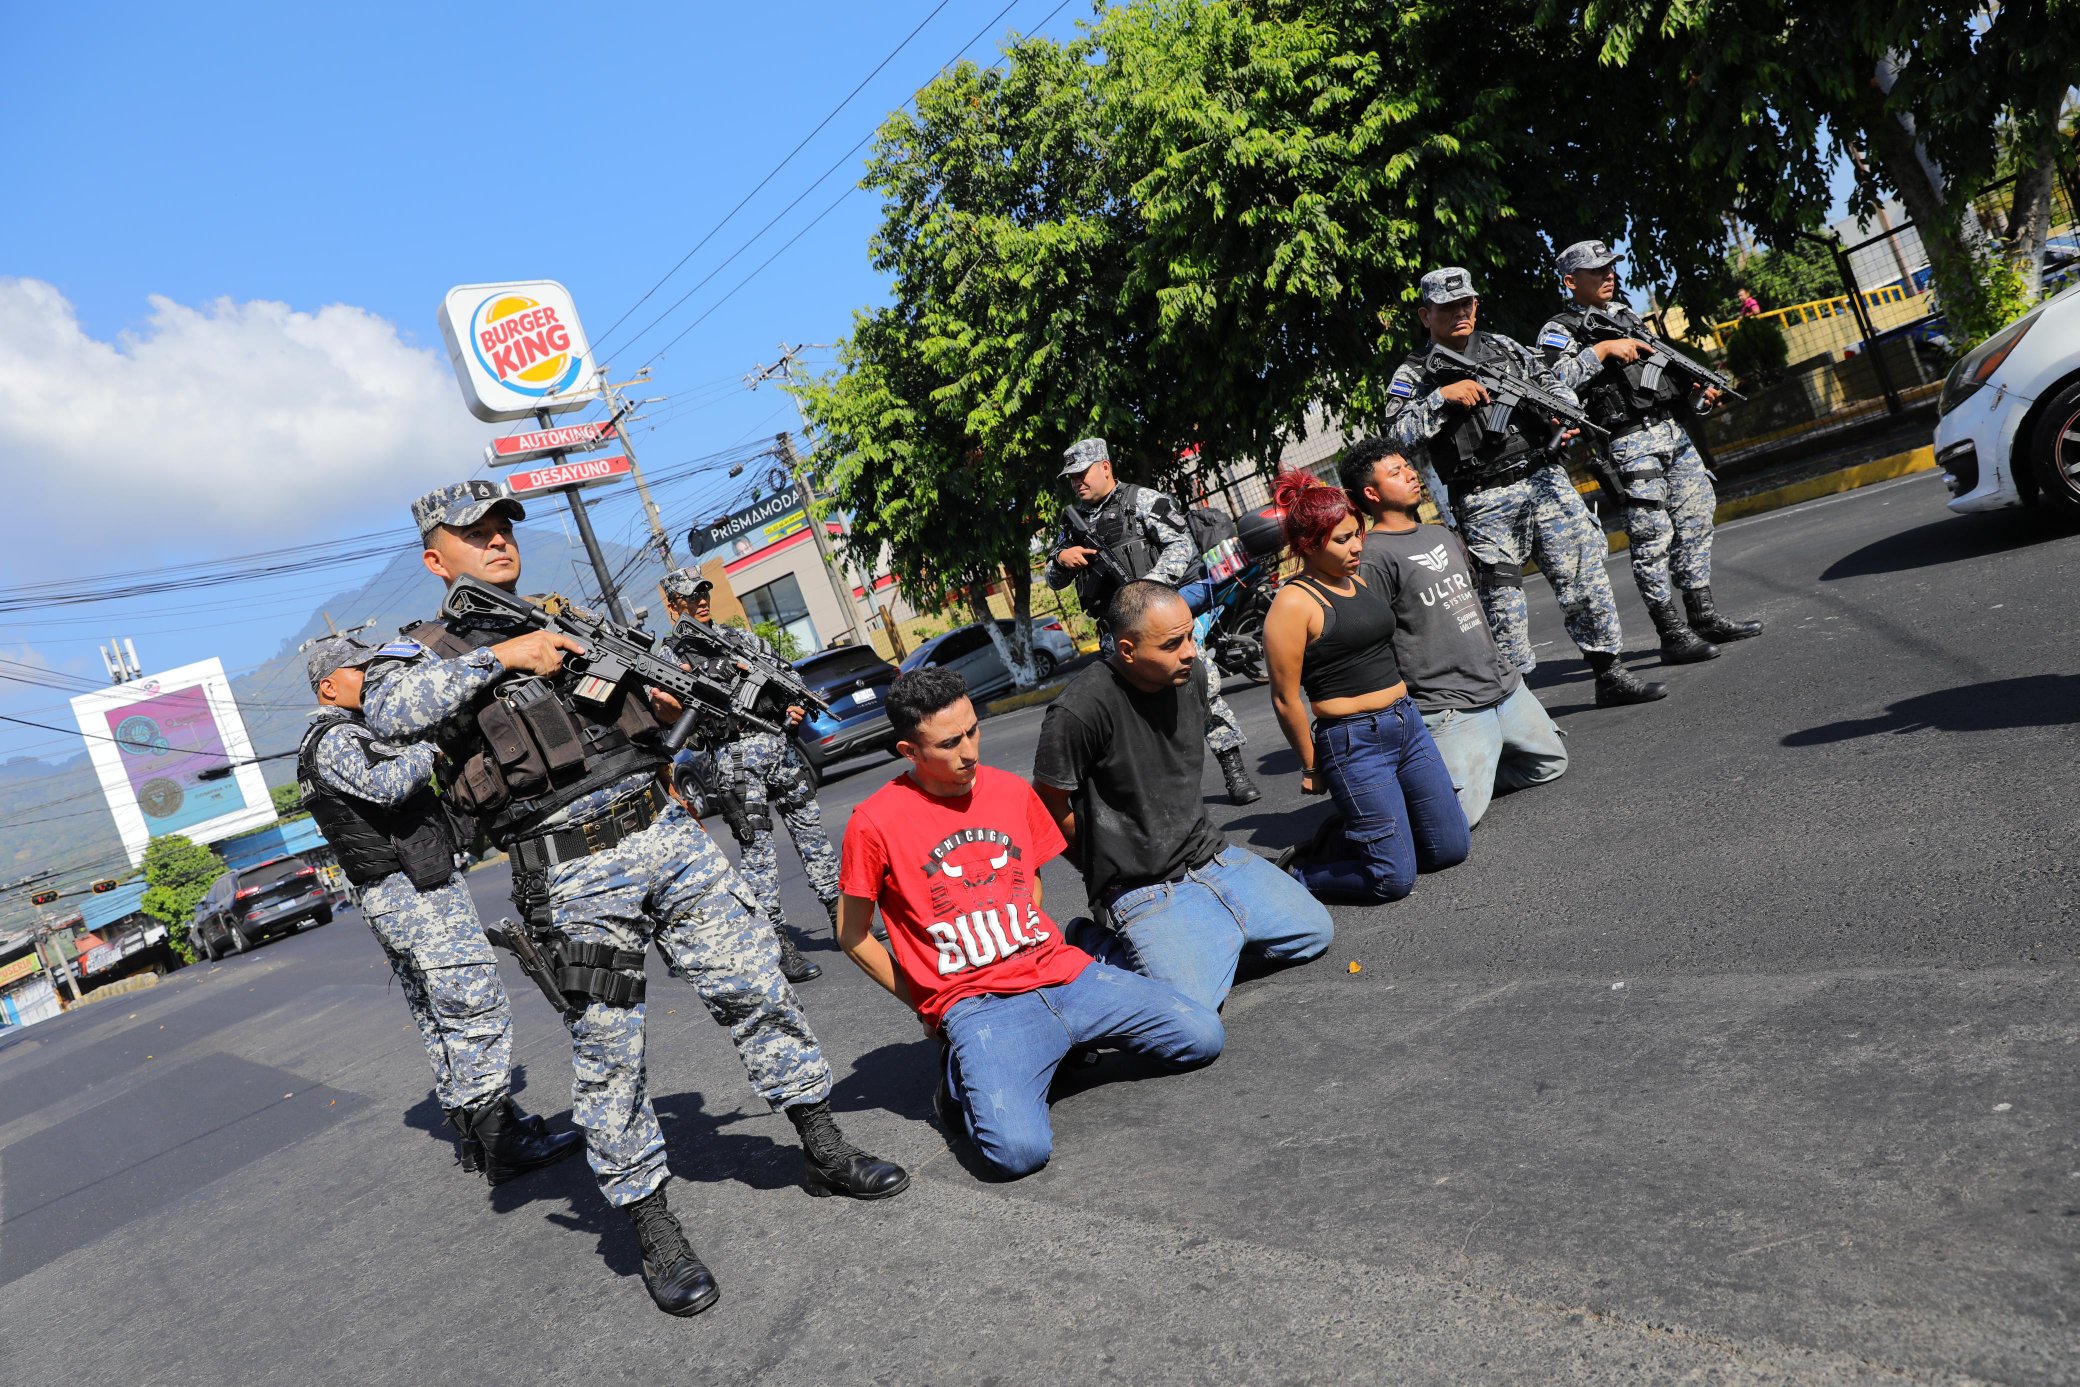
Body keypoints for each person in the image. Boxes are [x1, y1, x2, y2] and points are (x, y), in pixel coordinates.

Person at [360, 481, 907, 1318]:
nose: (499, 540)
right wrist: (505, 657)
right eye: (476, 534)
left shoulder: (567, 618)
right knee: (611, 1052)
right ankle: (654, 1229)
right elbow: (388, 713)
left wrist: (653, 705)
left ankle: (824, 1145)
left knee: (756, 987)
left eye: (504, 526)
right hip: (570, 870)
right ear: (437, 560)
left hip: (665, 832)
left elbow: (636, 720)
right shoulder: (419, 651)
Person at [834, 667, 1225, 1177]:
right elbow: (852, 934)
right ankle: (961, 1073)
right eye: (949, 743)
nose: (970, 751)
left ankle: (1058, 1041)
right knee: (1018, 1154)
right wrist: (929, 1006)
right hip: (979, 1005)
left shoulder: (1009, 791)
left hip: (1062, 973)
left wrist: (1030, 933)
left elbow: (1030, 879)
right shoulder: (873, 822)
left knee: (1201, 1037)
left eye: (973, 730)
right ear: (909, 752)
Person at [299, 634, 583, 1182]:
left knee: (441, 1016)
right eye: (361, 670)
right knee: (474, 1005)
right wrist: (426, 745)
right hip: (414, 897)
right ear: (329, 686)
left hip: (403, 894)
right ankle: (503, 1140)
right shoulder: (334, 738)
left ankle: (478, 1125)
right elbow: (386, 785)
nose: (373, 677)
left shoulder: (339, 736)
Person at [1032, 580, 1334, 1009]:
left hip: (1210, 858)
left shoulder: (1190, 676)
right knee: (1189, 1005)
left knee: (1312, 933)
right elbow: (1047, 804)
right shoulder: (1080, 710)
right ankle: (1097, 945)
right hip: (1140, 885)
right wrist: (1098, 866)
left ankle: (1203, 944)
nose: (1190, 651)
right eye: (1173, 643)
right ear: (1127, 650)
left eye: (1191, 635)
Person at [1383, 266, 1668, 708]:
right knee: (1503, 605)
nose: (1460, 312)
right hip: (1483, 498)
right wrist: (1442, 397)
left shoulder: (1505, 347)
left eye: (1466, 304)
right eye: (1447, 307)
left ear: (1476, 305)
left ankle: (1610, 673)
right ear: (1425, 315)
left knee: (1583, 575)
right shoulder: (1413, 373)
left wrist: (1560, 413)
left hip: (1544, 479)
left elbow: (1556, 385)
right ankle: (1519, 706)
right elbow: (1395, 437)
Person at [1535, 240, 1766, 652]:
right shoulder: (1559, 329)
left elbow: (1659, 379)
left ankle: (1703, 614)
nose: (1608, 275)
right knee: (1652, 536)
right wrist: (1601, 351)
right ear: (1571, 281)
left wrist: (1697, 395)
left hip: (1671, 432)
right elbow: (1551, 385)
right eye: (1596, 271)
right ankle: (1671, 632)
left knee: (1696, 517)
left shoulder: (1625, 314)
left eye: (1610, 267)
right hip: (1627, 442)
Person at [1260, 472, 1469, 902]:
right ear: (1307, 546)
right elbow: (1285, 697)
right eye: (1341, 540)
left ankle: (1357, 830)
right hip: (1353, 743)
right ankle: (1300, 872)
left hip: (1407, 724)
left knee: (1450, 849)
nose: (1356, 546)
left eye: (1357, 534)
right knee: (1391, 881)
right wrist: (1310, 765)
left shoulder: (1356, 577)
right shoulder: (1294, 602)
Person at [1338, 439, 1570, 828]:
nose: (1411, 474)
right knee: (1458, 818)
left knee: (1550, 764)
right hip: (1449, 705)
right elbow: (1370, 643)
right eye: (1395, 472)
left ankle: (1471, 775)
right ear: (1371, 493)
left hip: (1504, 688)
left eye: (1408, 466)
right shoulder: (1372, 557)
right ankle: (1407, 803)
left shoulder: (1441, 535)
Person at [1044, 437, 1261, 805]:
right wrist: (1061, 559)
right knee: (1131, 709)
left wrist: (1147, 591)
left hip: (1161, 622)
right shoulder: (1073, 523)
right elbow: (1054, 578)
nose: (1077, 482)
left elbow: (1181, 545)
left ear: (1105, 467)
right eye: (1071, 478)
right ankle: (1157, 791)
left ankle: (1234, 772)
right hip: (1116, 632)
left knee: (1201, 688)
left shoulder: (1142, 501)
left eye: (1083, 474)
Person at [659, 568, 833, 985]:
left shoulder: (739, 638)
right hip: (733, 757)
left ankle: (841, 913)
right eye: (689, 596)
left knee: (813, 833)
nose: (701, 600)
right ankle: (776, 944)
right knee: (758, 855)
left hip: (779, 747)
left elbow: (788, 676)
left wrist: (794, 705)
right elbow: (668, 709)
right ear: (673, 605)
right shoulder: (668, 656)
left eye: (704, 591)